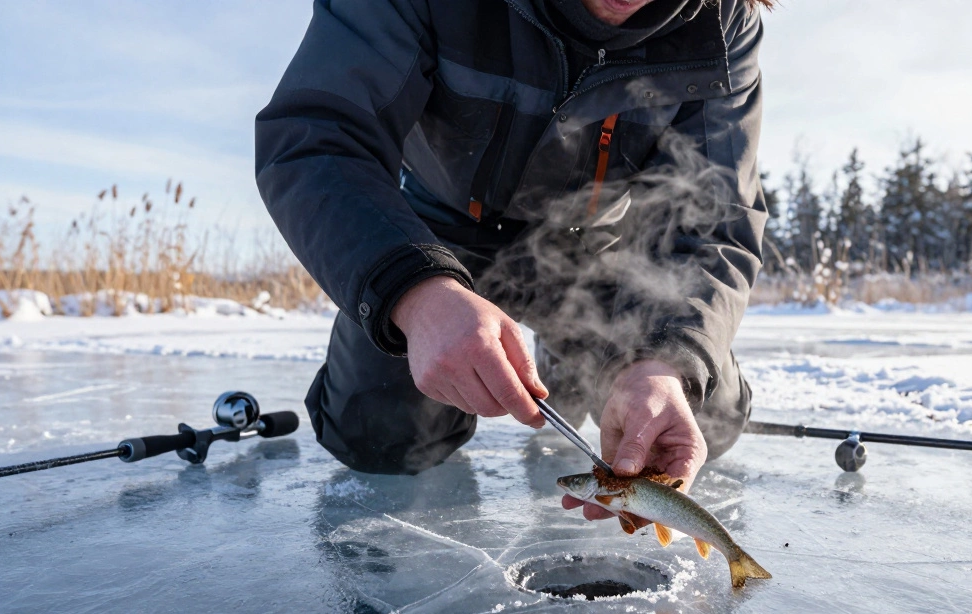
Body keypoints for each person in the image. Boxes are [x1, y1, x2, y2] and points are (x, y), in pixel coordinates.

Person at [255, 0, 771, 525]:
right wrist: (416, 292)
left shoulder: (723, 23)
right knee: (377, 438)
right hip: (438, 235)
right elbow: (318, 136)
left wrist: (668, 361)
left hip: (592, 252)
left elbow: (715, 222)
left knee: (704, 418)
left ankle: (572, 356)